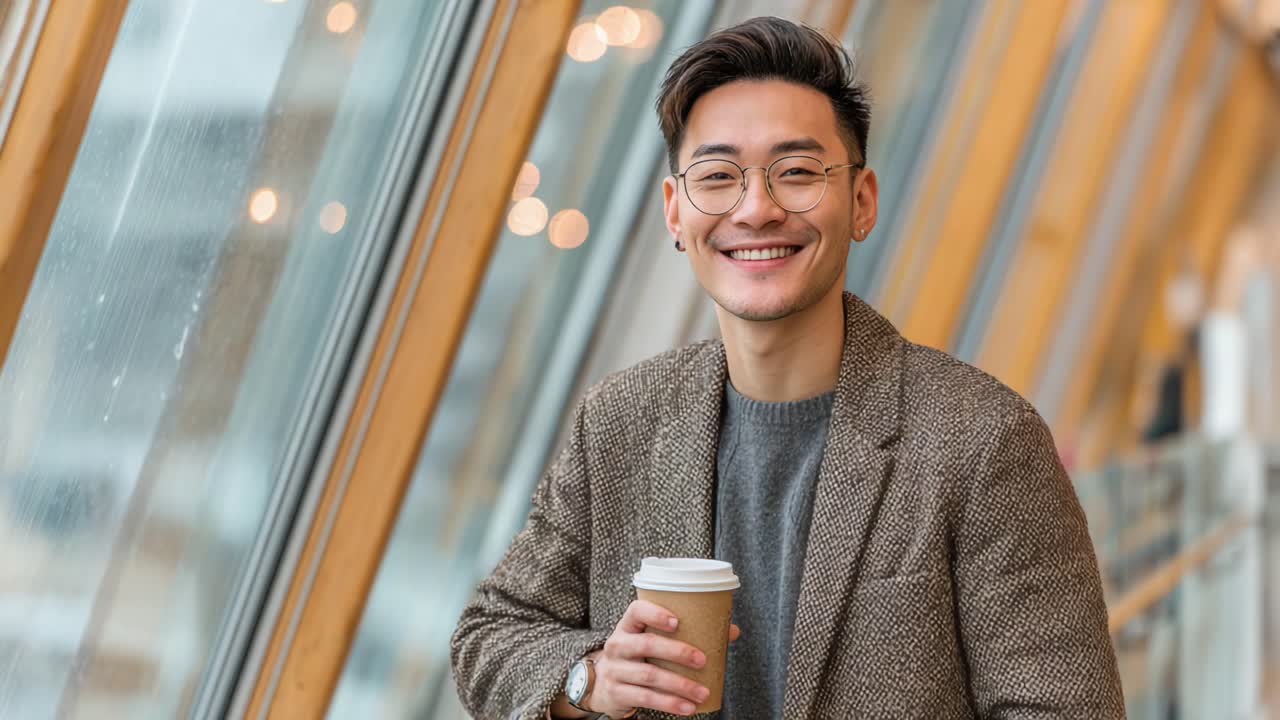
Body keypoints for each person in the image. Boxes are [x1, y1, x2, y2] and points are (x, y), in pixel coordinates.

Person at [452, 16, 1123, 720]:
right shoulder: (620, 421)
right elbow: (491, 634)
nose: (757, 209)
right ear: (676, 213)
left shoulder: (983, 441)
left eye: (797, 172)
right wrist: (589, 678)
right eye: (718, 177)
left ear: (861, 202)